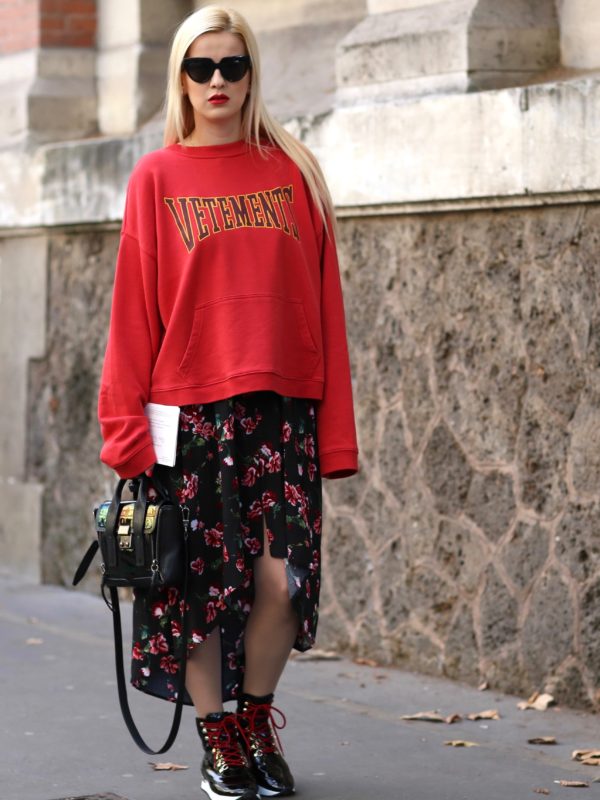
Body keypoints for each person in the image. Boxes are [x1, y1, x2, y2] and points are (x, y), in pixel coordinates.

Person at [97, 5, 358, 799]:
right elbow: (133, 313)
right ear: (180, 77)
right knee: (199, 589)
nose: (217, 81)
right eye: (201, 66)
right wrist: (124, 432)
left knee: (284, 583)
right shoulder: (157, 177)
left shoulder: (293, 172)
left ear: (253, 75)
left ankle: (254, 718)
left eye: (233, 66)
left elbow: (326, 312)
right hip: (188, 418)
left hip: (281, 414)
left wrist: (336, 436)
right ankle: (220, 743)